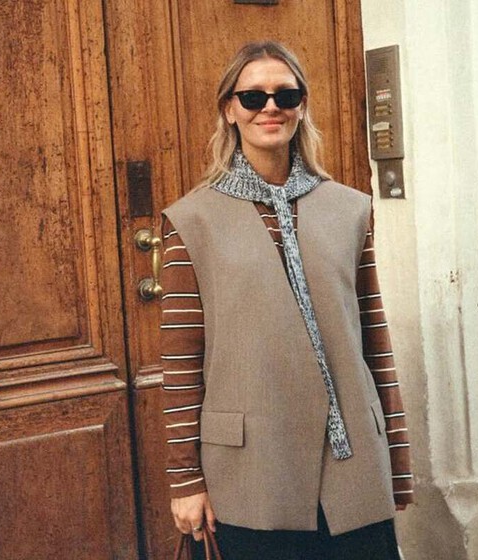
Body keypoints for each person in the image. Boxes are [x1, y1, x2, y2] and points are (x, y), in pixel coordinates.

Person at [159, 41, 413, 559]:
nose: (270, 107)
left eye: (285, 95)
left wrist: (397, 456)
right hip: (251, 470)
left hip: (350, 463)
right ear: (229, 110)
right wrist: (185, 479)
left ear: (302, 105)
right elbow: (181, 362)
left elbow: (373, 338)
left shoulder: (349, 210)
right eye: (253, 97)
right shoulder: (191, 222)